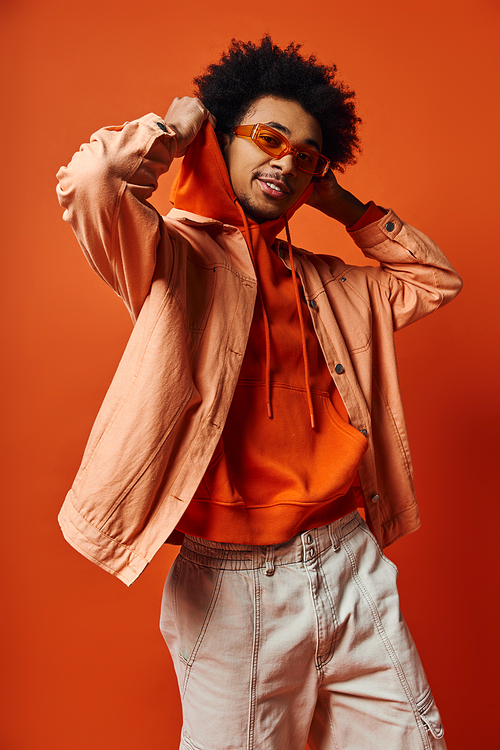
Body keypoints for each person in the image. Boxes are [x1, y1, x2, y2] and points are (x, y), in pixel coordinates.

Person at [56, 36, 462, 750]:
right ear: (223, 138)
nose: (287, 162)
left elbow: (435, 282)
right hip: (232, 587)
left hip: (350, 563)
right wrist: (175, 131)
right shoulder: (173, 258)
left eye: (307, 155)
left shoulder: (330, 282)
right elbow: (93, 184)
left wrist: (338, 199)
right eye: (269, 139)